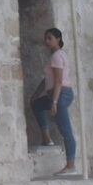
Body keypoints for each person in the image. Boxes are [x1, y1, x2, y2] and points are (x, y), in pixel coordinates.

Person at [29, 27, 76, 176]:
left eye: (50, 38)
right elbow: (47, 80)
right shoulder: (55, 56)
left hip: (60, 94)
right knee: (37, 104)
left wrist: (54, 102)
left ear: (58, 39)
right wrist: (35, 95)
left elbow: (58, 81)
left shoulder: (57, 56)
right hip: (55, 94)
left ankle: (70, 166)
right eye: (46, 38)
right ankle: (47, 138)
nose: (47, 41)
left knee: (65, 130)